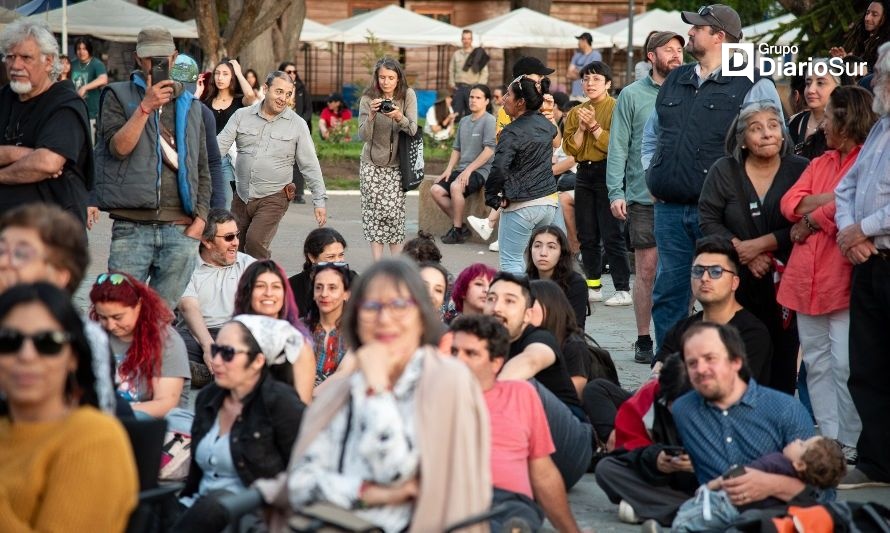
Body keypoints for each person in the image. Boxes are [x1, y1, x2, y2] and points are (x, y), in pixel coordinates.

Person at [256, 259, 491, 532]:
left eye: (399, 305)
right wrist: (366, 493)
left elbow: (395, 472)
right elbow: (300, 484)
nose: (384, 318)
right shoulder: (342, 389)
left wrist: (378, 392)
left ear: (422, 315)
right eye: (371, 306)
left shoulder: (447, 381)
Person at [644, 4, 783, 351]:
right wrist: (653, 173)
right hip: (671, 209)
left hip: (723, 214)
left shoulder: (754, 82)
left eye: (698, 28)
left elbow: (774, 147)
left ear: (720, 36)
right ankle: (671, 371)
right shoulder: (676, 78)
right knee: (669, 294)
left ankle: (725, 366)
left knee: (728, 293)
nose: (689, 33)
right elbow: (652, 135)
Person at [778, 86, 875, 464]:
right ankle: (830, 437)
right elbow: (789, 203)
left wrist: (814, 215)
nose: (825, 126)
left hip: (843, 275)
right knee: (816, 361)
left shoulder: (869, 159)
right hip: (807, 277)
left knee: (845, 363)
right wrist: (828, 203)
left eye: (832, 118)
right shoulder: (819, 162)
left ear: (847, 120)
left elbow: (855, 202)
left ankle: (852, 439)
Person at [0, 283, 137, 532]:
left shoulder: (94, 437)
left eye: (48, 342)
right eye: (9, 341)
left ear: (73, 356)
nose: (27, 355)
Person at [93, 26, 211, 310]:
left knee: (160, 318)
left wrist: (202, 219)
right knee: (118, 310)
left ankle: (153, 357)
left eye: (162, 58)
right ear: (136, 58)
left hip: (180, 229)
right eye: (149, 58)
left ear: (174, 57)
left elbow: (204, 168)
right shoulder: (117, 95)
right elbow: (118, 148)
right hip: (131, 226)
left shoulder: (191, 105)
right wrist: (144, 108)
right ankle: (120, 357)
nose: (156, 64)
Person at [698, 100, 808, 394]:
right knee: (739, 353)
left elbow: (806, 222)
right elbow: (708, 218)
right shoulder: (725, 170)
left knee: (785, 357)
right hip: (738, 279)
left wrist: (760, 245)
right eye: (756, 128)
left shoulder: (800, 169)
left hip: (787, 278)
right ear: (742, 139)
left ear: (784, 135)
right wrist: (741, 251)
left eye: (774, 126)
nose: (767, 134)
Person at [449, 314, 583, 533]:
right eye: (454, 352)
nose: (458, 360)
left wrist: (572, 532)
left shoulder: (521, 394)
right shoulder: (434, 394)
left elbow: (543, 472)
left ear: (496, 362)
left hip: (508, 503)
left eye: (470, 353)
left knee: (512, 523)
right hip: (453, 498)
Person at [173, 315, 305, 533]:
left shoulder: (281, 403)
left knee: (217, 502)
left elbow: (302, 473)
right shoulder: (209, 398)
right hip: (197, 509)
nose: (215, 361)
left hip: (250, 518)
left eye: (227, 353)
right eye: (215, 350)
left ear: (258, 362)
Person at [672, 322, 819, 509]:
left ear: (736, 361)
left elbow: (823, 493)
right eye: (692, 363)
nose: (701, 369)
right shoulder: (683, 410)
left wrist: (771, 485)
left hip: (778, 516)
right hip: (715, 509)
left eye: (710, 359)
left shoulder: (786, 409)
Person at [607, 31, 685, 364]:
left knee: (685, 268)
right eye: (669, 50)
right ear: (651, 56)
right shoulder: (631, 95)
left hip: (685, 194)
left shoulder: (691, 87)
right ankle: (643, 337)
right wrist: (616, 191)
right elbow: (619, 144)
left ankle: (681, 336)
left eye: (680, 49)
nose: (677, 55)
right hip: (643, 196)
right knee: (648, 270)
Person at [833, 41, 890, 489]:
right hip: (869, 260)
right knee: (867, 363)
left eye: (879, 72)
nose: (873, 79)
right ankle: (876, 461)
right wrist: (851, 233)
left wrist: (861, 229)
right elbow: (844, 187)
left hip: (881, 250)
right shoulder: (878, 129)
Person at [0, 204, 118, 414]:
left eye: (20, 254)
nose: (3, 262)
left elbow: (96, 415)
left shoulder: (87, 336)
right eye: (1, 250)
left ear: (59, 276)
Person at [484, 271, 593, 490]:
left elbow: (531, 361)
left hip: (570, 446)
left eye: (509, 301)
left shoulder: (539, 337)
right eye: (491, 299)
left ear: (527, 314)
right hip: (525, 450)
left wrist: (479, 397)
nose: (497, 307)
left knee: (521, 387)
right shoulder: (480, 343)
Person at [218, 71, 327, 260]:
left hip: (274, 196)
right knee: (235, 246)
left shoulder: (297, 124)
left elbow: (310, 164)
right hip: (242, 196)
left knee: (255, 241)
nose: (283, 98)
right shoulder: (242, 115)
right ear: (265, 89)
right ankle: (243, 286)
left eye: (288, 94)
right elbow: (218, 147)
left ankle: (265, 281)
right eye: (278, 92)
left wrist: (319, 200)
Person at [0, 20, 93, 226]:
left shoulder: (66, 103)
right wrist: (27, 153)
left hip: (51, 235)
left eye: (26, 58)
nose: (16, 66)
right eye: (10, 57)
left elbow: (47, 163)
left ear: (49, 61)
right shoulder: (4, 98)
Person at [593, 354, 696, 527]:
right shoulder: (651, 396)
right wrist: (655, 458)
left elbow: (738, 460)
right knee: (606, 469)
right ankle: (695, 511)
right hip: (661, 479)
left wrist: (700, 462)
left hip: (706, 482)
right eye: (672, 404)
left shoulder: (721, 399)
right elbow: (625, 451)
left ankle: (654, 508)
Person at [654, 236, 773, 385]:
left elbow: (732, 387)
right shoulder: (682, 329)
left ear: (734, 282)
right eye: (697, 271)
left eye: (716, 272)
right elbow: (658, 371)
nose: (704, 278)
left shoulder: (752, 333)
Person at [563, 61, 631, 307]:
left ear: (608, 84)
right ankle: (594, 285)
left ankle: (623, 288)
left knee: (612, 233)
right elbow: (571, 149)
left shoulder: (617, 108)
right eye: (586, 79)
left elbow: (617, 145)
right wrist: (582, 128)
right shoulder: (575, 112)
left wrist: (593, 126)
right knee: (587, 232)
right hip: (584, 173)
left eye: (596, 79)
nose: (589, 84)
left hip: (609, 173)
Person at [485, 74, 564, 273]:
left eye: (508, 94)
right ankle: (539, 301)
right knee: (537, 265)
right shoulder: (546, 125)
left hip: (522, 206)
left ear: (520, 102)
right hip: (547, 204)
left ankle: (518, 303)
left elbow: (499, 168)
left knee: (511, 263)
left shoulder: (511, 132)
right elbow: (556, 139)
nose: (503, 98)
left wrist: (492, 197)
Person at [90, 271, 190, 419]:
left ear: (139, 305)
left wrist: (111, 414)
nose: (110, 325)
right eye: (103, 317)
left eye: (117, 317)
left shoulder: (167, 340)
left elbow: (165, 403)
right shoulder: (97, 335)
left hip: (153, 422)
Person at [177, 208, 256, 386]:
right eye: (228, 237)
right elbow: (188, 307)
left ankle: (205, 375)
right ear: (207, 241)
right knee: (164, 343)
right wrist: (208, 346)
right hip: (197, 335)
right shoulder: (187, 266)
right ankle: (226, 374)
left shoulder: (248, 264)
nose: (236, 242)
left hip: (236, 334)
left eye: (236, 235)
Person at [358, 58, 418, 261]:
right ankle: (377, 265)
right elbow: (363, 136)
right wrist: (372, 116)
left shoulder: (407, 95)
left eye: (391, 77)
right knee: (374, 214)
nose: (386, 82)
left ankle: (396, 265)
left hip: (397, 166)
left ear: (398, 78)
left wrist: (398, 116)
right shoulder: (368, 98)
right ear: (376, 77)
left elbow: (412, 129)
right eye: (382, 77)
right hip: (371, 164)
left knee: (394, 215)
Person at [233, 259, 316, 404]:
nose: (268, 293)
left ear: (285, 293)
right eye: (260, 286)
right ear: (248, 292)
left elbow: (302, 405)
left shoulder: (298, 343)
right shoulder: (233, 334)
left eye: (276, 287)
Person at [530, 279, 618, 400]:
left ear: (549, 308)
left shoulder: (573, 345)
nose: (524, 310)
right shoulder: (523, 339)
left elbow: (572, 397)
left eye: (530, 304)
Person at [432, 83, 496, 244]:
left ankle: (457, 230)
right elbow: (456, 148)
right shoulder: (465, 121)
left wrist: (468, 171)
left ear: (487, 101)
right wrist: (448, 170)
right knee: (436, 190)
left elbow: (489, 150)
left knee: (455, 187)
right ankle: (461, 226)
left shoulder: (489, 121)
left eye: (478, 98)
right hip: (463, 169)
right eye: (472, 97)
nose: (473, 100)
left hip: (481, 171)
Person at [197, 59, 258, 209]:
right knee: (203, 204)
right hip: (206, 157)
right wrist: (197, 93)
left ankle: (224, 232)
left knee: (223, 206)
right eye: (217, 73)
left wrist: (238, 71)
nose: (220, 77)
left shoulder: (239, 101)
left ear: (232, 77)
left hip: (228, 160)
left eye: (225, 74)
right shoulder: (205, 102)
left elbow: (250, 96)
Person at [524, 225, 587, 329]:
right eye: (537, 246)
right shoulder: (525, 282)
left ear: (561, 252)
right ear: (530, 250)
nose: (543, 253)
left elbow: (575, 327)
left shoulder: (575, 283)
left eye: (551, 247)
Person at [288, 227, 358, 316]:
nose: (337, 261)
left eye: (341, 255)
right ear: (312, 257)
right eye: (331, 257)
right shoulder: (292, 286)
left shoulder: (354, 281)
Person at [302, 262, 352, 385]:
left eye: (332, 288)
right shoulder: (299, 328)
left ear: (346, 294)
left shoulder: (358, 331)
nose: (324, 294)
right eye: (318, 287)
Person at [787, 59, 845, 160]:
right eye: (808, 83)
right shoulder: (795, 122)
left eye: (820, 83)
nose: (811, 90)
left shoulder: (845, 126)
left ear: (838, 86)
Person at [279, 62, 314, 204]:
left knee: (298, 162)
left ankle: (298, 193)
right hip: (281, 130)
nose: (292, 74)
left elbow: (308, 109)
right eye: (289, 71)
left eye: (294, 71)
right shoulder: (278, 90)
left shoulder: (301, 89)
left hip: (298, 130)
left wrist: (301, 122)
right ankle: (281, 191)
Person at [830, 1, 890, 72]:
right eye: (867, 13)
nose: (867, 18)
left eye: (874, 15)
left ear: (885, 18)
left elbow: (877, 75)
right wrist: (846, 60)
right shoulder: (864, 41)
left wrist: (851, 63)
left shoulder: (886, 48)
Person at [449, 29, 489, 118]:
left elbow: (484, 72)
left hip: (473, 88)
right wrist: (452, 84)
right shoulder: (456, 54)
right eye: (464, 38)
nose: (466, 41)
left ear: (471, 40)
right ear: (461, 39)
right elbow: (451, 70)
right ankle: (457, 131)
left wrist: (479, 87)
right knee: (456, 114)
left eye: (468, 38)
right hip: (458, 88)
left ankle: (471, 131)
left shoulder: (478, 54)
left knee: (471, 114)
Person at [71, 36, 108, 126]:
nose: (81, 52)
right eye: (79, 49)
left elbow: (103, 79)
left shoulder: (96, 64)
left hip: (92, 112)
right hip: (74, 110)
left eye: (84, 48)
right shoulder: (72, 63)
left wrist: (84, 88)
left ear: (89, 49)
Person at [567, 32, 603, 100]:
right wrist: (583, 74)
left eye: (579, 41)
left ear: (584, 40)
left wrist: (576, 71)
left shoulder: (596, 55)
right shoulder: (576, 55)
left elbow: (591, 73)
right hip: (574, 94)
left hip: (587, 95)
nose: (578, 43)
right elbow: (568, 74)